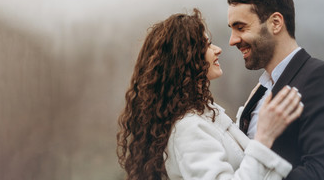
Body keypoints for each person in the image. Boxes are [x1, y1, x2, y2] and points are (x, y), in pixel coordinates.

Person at [117, 9, 303, 180]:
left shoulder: (201, 114)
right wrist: (263, 138)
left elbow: (228, 152)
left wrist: (247, 110)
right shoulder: (187, 129)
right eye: (206, 45)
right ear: (186, 58)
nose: (217, 49)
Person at [227, 0, 324, 179]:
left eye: (241, 28)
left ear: (275, 23)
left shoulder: (322, 77)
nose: (232, 40)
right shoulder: (260, 92)